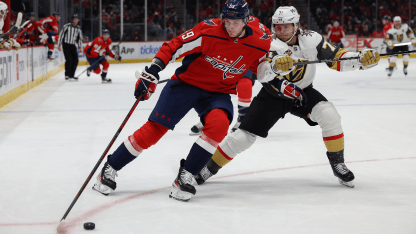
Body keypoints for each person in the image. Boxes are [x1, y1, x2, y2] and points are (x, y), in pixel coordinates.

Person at [91, 0, 271, 201]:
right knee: (155, 130)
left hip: (218, 92)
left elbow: (261, 70)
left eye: (235, 23)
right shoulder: (208, 30)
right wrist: (151, 72)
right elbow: (174, 46)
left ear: (245, 21)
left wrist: (274, 68)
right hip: (187, 84)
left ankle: (186, 176)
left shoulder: (261, 39)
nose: (229, 27)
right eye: (226, 21)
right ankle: (111, 167)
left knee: (219, 125)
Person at [193, 6, 381, 194]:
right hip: (272, 96)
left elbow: (335, 58)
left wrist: (360, 59)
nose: (280, 31)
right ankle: (207, 168)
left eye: (286, 27)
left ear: (296, 25)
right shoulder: (269, 44)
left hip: (303, 92)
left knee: (329, 114)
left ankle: (338, 164)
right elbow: (264, 76)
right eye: (277, 26)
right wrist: (279, 75)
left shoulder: (312, 39)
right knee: (242, 137)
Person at [189, 15, 271, 135]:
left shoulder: (255, 23)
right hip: (227, 58)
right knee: (212, 83)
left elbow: (266, 41)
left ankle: (243, 119)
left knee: (244, 83)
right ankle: (208, 118)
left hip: (245, 60)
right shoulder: (226, 18)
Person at [58, 14, 83, 80]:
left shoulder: (78, 28)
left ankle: (71, 75)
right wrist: (59, 44)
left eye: (77, 19)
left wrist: (80, 47)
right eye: (75, 19)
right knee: (69, 59)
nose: (76, 20)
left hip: (73, 45)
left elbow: (80, 38)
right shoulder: (67, 26)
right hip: (66, 45)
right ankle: (67, 75)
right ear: (72, 20)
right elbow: (61, 35)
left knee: (76, 60)